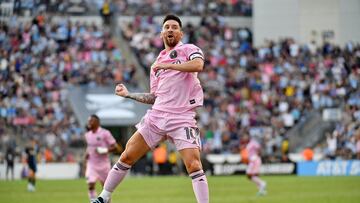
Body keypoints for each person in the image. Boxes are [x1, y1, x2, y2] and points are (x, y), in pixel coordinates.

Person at [92, 14, 209, 203]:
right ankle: (104, 197)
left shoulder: (189, 49)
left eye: (174, 27)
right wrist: (129, 95)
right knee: (127, 155)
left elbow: (198, 65)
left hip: (182, 117)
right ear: (162, 33)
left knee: (194, 165)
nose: (170, 29)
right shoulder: (156, 64)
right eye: (167, 27)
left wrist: (168, 65)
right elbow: (154, 97)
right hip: (157, 116)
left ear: (181, 32)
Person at [84, 114, 121, 202]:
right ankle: (93, 201)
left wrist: (104, 150)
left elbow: (117, 148)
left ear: (97, 122)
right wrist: (86, 153)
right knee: (90, 184)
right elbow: (89, 147)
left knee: (105, 188)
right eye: (89, 121)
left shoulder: (105, 133)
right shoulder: (87, 135)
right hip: (92, 164)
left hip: (103, 165)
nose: (89, 123)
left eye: (91, 121)